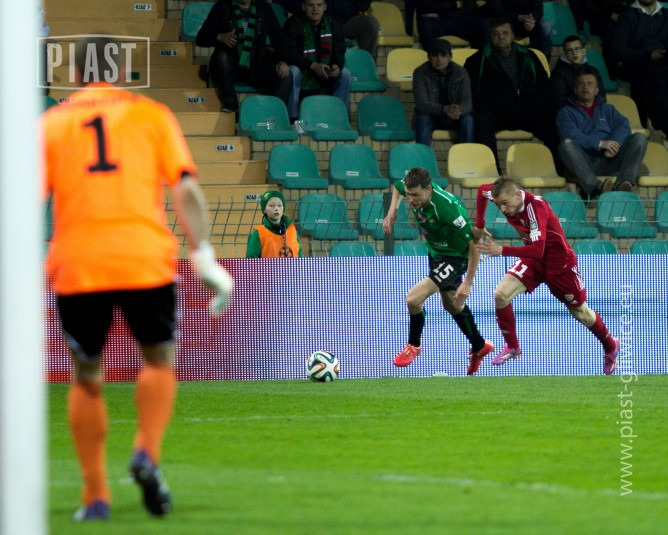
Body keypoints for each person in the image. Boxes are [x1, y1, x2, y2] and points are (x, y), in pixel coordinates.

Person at [42, 36, 234, 521]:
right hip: (143, 258)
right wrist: (204, 255)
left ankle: (96, 496)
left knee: (87, 376)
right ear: (122, 71)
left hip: (79, 262)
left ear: (76, 73)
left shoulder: (52, 124)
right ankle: (146, 450)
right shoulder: (152, 116)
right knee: (158, 358)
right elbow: (186, 188)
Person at [473, 177, 619, 375]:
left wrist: (501, 250)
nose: (503, 209)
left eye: (505, 204)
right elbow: (482, 190)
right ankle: (513, 347)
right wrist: (479, 224)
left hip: (559, 265)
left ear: (517, 195)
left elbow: (538, 250)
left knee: (580, 312)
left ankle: (611, 346)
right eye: (498, 205)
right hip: (533, 262)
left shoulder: (535, 207)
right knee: (501, 295)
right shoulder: (502, 195)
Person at [382, 167, 493, 376]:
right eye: (409, 194)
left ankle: (413, 345)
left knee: (413, 299)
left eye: (416, 195)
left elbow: (474, 243)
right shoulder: (410, 188)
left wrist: (468, 283)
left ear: (429, 190)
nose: (411, 199)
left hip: (456, 256)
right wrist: (392, 211)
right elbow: (397, 188)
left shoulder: (446, 208)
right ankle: (480, 346)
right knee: (451, 304)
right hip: (436, 253)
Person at [464, 18, 559, 172]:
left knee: (552, 121)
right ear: (490, 36)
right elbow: (472, 91)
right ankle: (493, 174)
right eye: (496, 33)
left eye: (505, 33)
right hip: (497, 114)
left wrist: (538, 103)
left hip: (528, 111)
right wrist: (488, 105)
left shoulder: (529, 56)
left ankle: (557, 171)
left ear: (513, 35)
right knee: (482, 121)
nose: (501, 36)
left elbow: (544, 85)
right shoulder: (476, 60)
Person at [556, 70, 648, 201]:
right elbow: (571, 135)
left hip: (611, 158)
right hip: (585, 162)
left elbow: (623, 126)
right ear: (575, 90)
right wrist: (600, 144)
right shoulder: (565, 113)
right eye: (581, 84)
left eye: (590, 84)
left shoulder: (608, 109)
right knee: (566, 145)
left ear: (596, 90)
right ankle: (597, 188)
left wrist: (614, 143)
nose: (585, 87)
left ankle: (624, 182)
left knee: (639, 138)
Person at [195, 0, 293, 113]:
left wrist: (282, 60)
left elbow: (280, 39)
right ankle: (231, 106)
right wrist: (219, 37)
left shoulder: (264, 8)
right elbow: (201, 38)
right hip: (231, 67)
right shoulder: (222, 7)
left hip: (257, 65)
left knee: (285, 75)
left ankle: (271, 114)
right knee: (222, 58)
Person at [283, 0, 352, 120]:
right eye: (311, 5)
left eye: (319, 5)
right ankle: (292, 118)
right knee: (293, 71)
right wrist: (312, 65)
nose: (315, 9)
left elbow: (340, 50)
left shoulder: (333, 23)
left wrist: (336, 65)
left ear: (325, 6)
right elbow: (290, 53)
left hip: (326, 71)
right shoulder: (294, 23)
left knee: (345, 74)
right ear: (303, 6)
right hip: (303, 69)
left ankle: (340, 118)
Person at [611, 0, 668, 125]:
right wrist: (647, 55)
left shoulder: (665, 14)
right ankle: (656, 122)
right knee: (651, 76)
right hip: (636, 63)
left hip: (662, 62)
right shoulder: (628, 16)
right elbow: (618, 49)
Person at [412, 39, 474, 146]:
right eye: (435, 55)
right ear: (429, 57)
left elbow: (468, 103)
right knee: (422, 118)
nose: (439, 59)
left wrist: (457, 111)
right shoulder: (420, 72)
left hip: (454, 117)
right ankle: (422, 155)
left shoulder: (461, 73)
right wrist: (444, 109)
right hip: (432, 116)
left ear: (450, 57)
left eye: (443, 55)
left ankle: (467, 155)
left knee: (468, 119)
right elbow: (421, 103)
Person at [550, 35, 607, 112]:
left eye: (577, 49)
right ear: (565, 54)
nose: (574, 53)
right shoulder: (558, 73)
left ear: (583, 51)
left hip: (594, 113)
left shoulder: (593, 71)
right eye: (569, 50)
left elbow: (601, 96)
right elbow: (559, 101)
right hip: (569, 115)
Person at [482, 0, 551, 57]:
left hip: (524, 22)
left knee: (545, 25)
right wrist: (517, 17)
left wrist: (531, 19)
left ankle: (540, 62)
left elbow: (538, 7)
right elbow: (495, 7)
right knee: (487, 25)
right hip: (501, 19)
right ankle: (488, 60)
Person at [246, 190, 303, 257]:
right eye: (271, 206)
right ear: (264, 210)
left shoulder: (292, 230)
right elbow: (251, 260)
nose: (276, 208)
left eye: (279, 205)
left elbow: (300, 256)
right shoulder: (257, 233)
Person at [415, 0, 488, 51]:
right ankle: (433, 62)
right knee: (426, 27)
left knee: (481, 25)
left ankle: (477, 63)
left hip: (458, 20)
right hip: (436, 22)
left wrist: (441, 14)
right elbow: (424, 6)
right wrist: (455, 5)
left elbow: (470, 9)